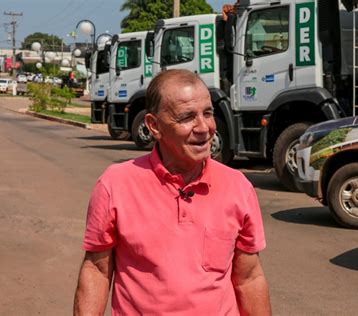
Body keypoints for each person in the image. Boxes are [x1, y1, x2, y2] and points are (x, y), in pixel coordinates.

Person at [74, 69, 272, 315]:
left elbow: (249, 278)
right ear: (154, 126)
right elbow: (97, 270)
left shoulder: (238, 187)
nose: (204, 128)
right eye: (187, 117)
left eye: (207, 113)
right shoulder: (115, 184)